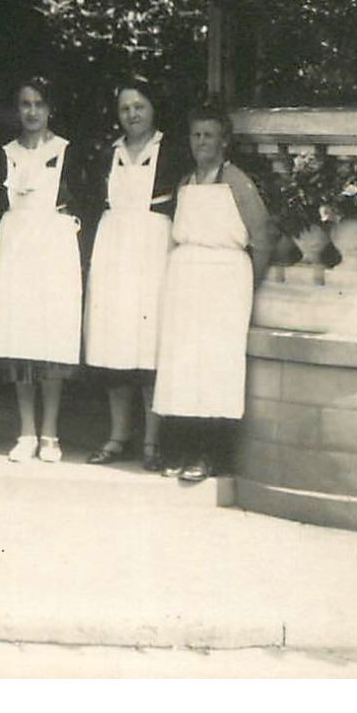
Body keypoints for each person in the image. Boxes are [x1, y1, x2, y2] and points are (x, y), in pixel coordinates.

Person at [152, 106, 276, 481]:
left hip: (224, 281)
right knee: (184, 366)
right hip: (186, 280)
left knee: (214, 367)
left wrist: (246, 284)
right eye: (196, 135)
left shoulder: (237, 182)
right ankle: (183, 448)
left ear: (224, 141)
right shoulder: (187, 183)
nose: (201, 142)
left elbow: (263, 238)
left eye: (209, 135)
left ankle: (209, 455)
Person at [82, 78, 189, 470]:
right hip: (115, 254)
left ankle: (152, 441)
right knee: (116, 347)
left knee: (150, 347)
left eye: (139, 107)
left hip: (154, 253)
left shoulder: (172, 152)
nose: (132, 115)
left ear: (153, 109)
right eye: (125, 108)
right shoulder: (107, 154)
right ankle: (118, 435)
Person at [0, 78, 85, 463]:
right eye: (24, 104)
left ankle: (50, 433)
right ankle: (26, 431)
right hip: (16, 248)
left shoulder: (66, 152)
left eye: (39, 104)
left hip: (53, 250)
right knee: (20, 339)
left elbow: (79, 205)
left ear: (50, 108)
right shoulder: (4, 153)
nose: (31, 111)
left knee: (50, 338)